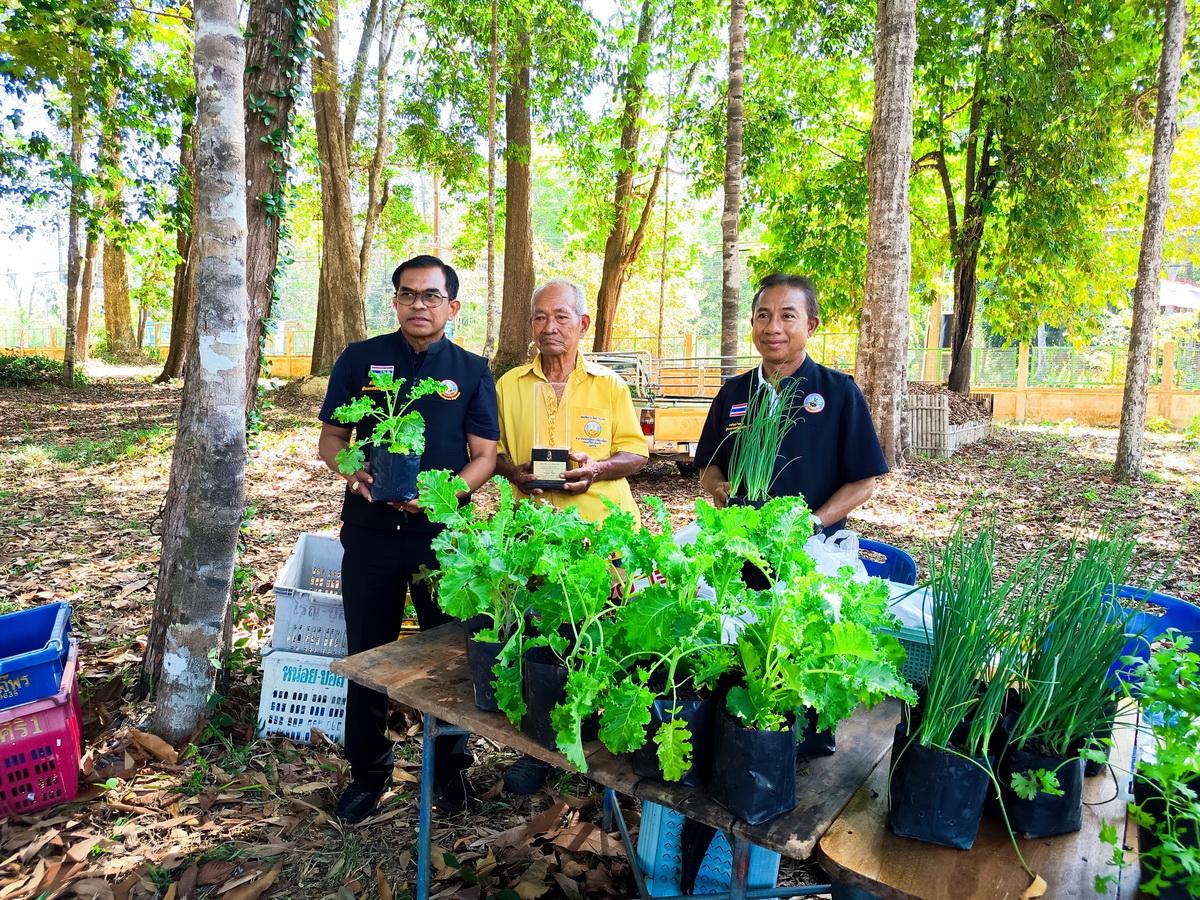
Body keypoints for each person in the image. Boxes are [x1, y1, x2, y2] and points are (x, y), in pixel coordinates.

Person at [317, 254, 499, 823]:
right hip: (370, 535)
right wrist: (351, 470)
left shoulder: (471, 370)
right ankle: (368, 774)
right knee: (367, 654)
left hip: (441, 540)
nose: (420, 305)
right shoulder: (361, 359)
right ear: (394, 302)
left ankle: (448, 771)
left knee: (449, 657)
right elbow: (331, 438)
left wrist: (445, 496)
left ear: (453, 306)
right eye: (408, 294)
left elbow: (486, 457)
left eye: (432, 296)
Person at [493, 277, 649, 792]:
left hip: (602, 534)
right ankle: (542, 747)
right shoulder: (509, 384)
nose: (549, 327)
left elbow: (636, 453)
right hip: (537, 535)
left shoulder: (609, 386)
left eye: (561, 317)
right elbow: (491, 451)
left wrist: (598, 468)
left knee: (603, 636)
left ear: (583, 324)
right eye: (540, 317)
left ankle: (604, 747)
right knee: (542, 640)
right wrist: (513, 471)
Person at [695, 273, 887, 532]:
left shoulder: (840, 392)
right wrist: (717, 486)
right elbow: (708, 465)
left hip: (812, 549)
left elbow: (864, 482)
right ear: (752, 323)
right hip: (739, 543)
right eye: (763, 316)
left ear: (811, 326)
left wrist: (811, 525)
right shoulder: (732, 393)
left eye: (787, 316)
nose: (773, 327)